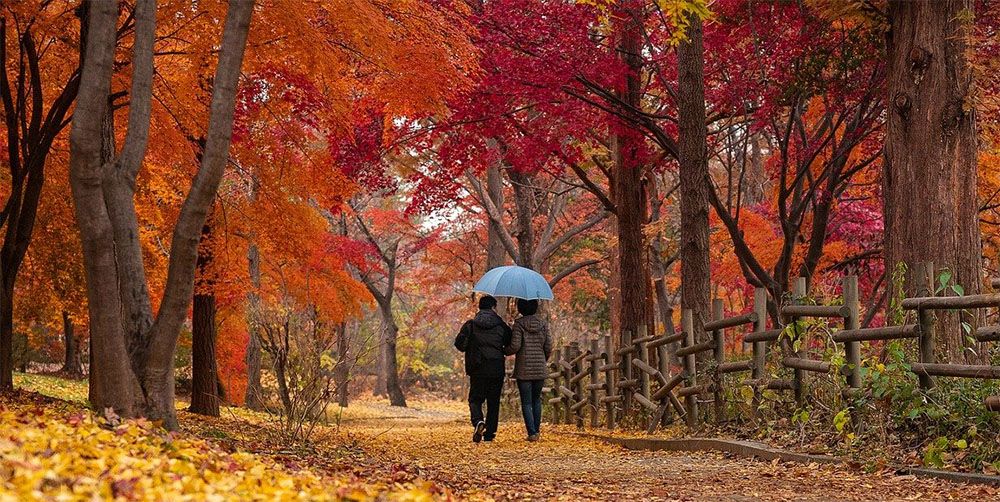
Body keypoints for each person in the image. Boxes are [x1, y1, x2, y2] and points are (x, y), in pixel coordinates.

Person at [454, 295, 512, 443]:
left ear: (479, 308)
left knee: (475, 399)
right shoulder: (501, 326)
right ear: (493, 307)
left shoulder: (471, 325)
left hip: (477, 367)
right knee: (493, 401)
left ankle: (478, 421)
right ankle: (490, 433)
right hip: (496, 367)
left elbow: (459, 344)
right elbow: (509, 341)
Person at [505, 298, 551, 442]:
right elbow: (548, 346)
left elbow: (515, 346)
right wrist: (543, 360)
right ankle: (536, 431)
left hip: (524, 369)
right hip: (539, 368)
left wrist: (504, 351)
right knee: (537, 400)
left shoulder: (519, 324)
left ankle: (531, 433)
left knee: (526, 402)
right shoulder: (543, 324)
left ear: (520, 308)